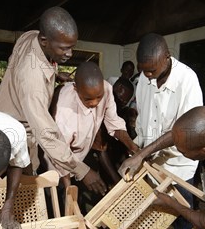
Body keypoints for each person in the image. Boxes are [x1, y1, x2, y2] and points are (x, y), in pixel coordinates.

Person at [0, 6, 107, 196]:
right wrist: (82, 170)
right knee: (19, 195)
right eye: (64, 48)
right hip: (15, 138)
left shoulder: (30, 36)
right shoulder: (32, 78)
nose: (70, 54)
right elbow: (46, 134)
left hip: (3, 118)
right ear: (44, 41)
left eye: (72, 46)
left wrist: (53, 72)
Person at [118, 33, 203, 229]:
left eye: (152, 70)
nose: (147, 76)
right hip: (151, 157)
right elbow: (144, 119)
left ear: (167, 57)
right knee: (149, 203)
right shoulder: (145, 78)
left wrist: (141, 154)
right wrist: (136, 147)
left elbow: (181, 131)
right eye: (143, 71)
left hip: (179, 159)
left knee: (183, 210)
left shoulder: (187, 80)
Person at [48, 61, 138, 192]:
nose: (95, 103)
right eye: (88, 99)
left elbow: (114, 122)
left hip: (80, 156)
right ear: (75, 88)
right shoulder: (64, 112)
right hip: (58, 163)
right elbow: (60, 153)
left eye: (99, 97)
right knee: (61, 196)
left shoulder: (106, 89)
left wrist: (132, 146)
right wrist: (69, 191)